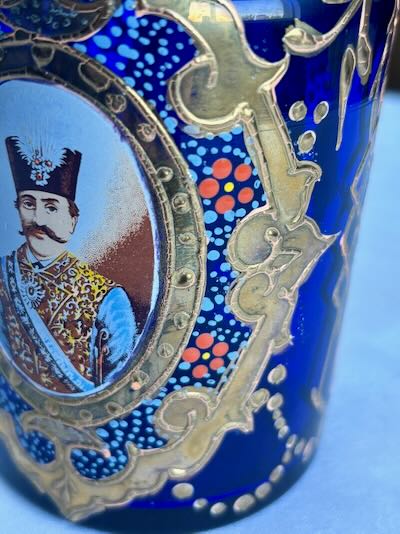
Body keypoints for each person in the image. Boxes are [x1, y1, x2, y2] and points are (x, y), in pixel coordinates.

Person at [0, 136, 137, 394]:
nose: (38, 218)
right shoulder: (4, 272)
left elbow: (118, 385)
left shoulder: (108, 299)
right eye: (28, 204)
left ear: (72, 220)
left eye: (51, 207)